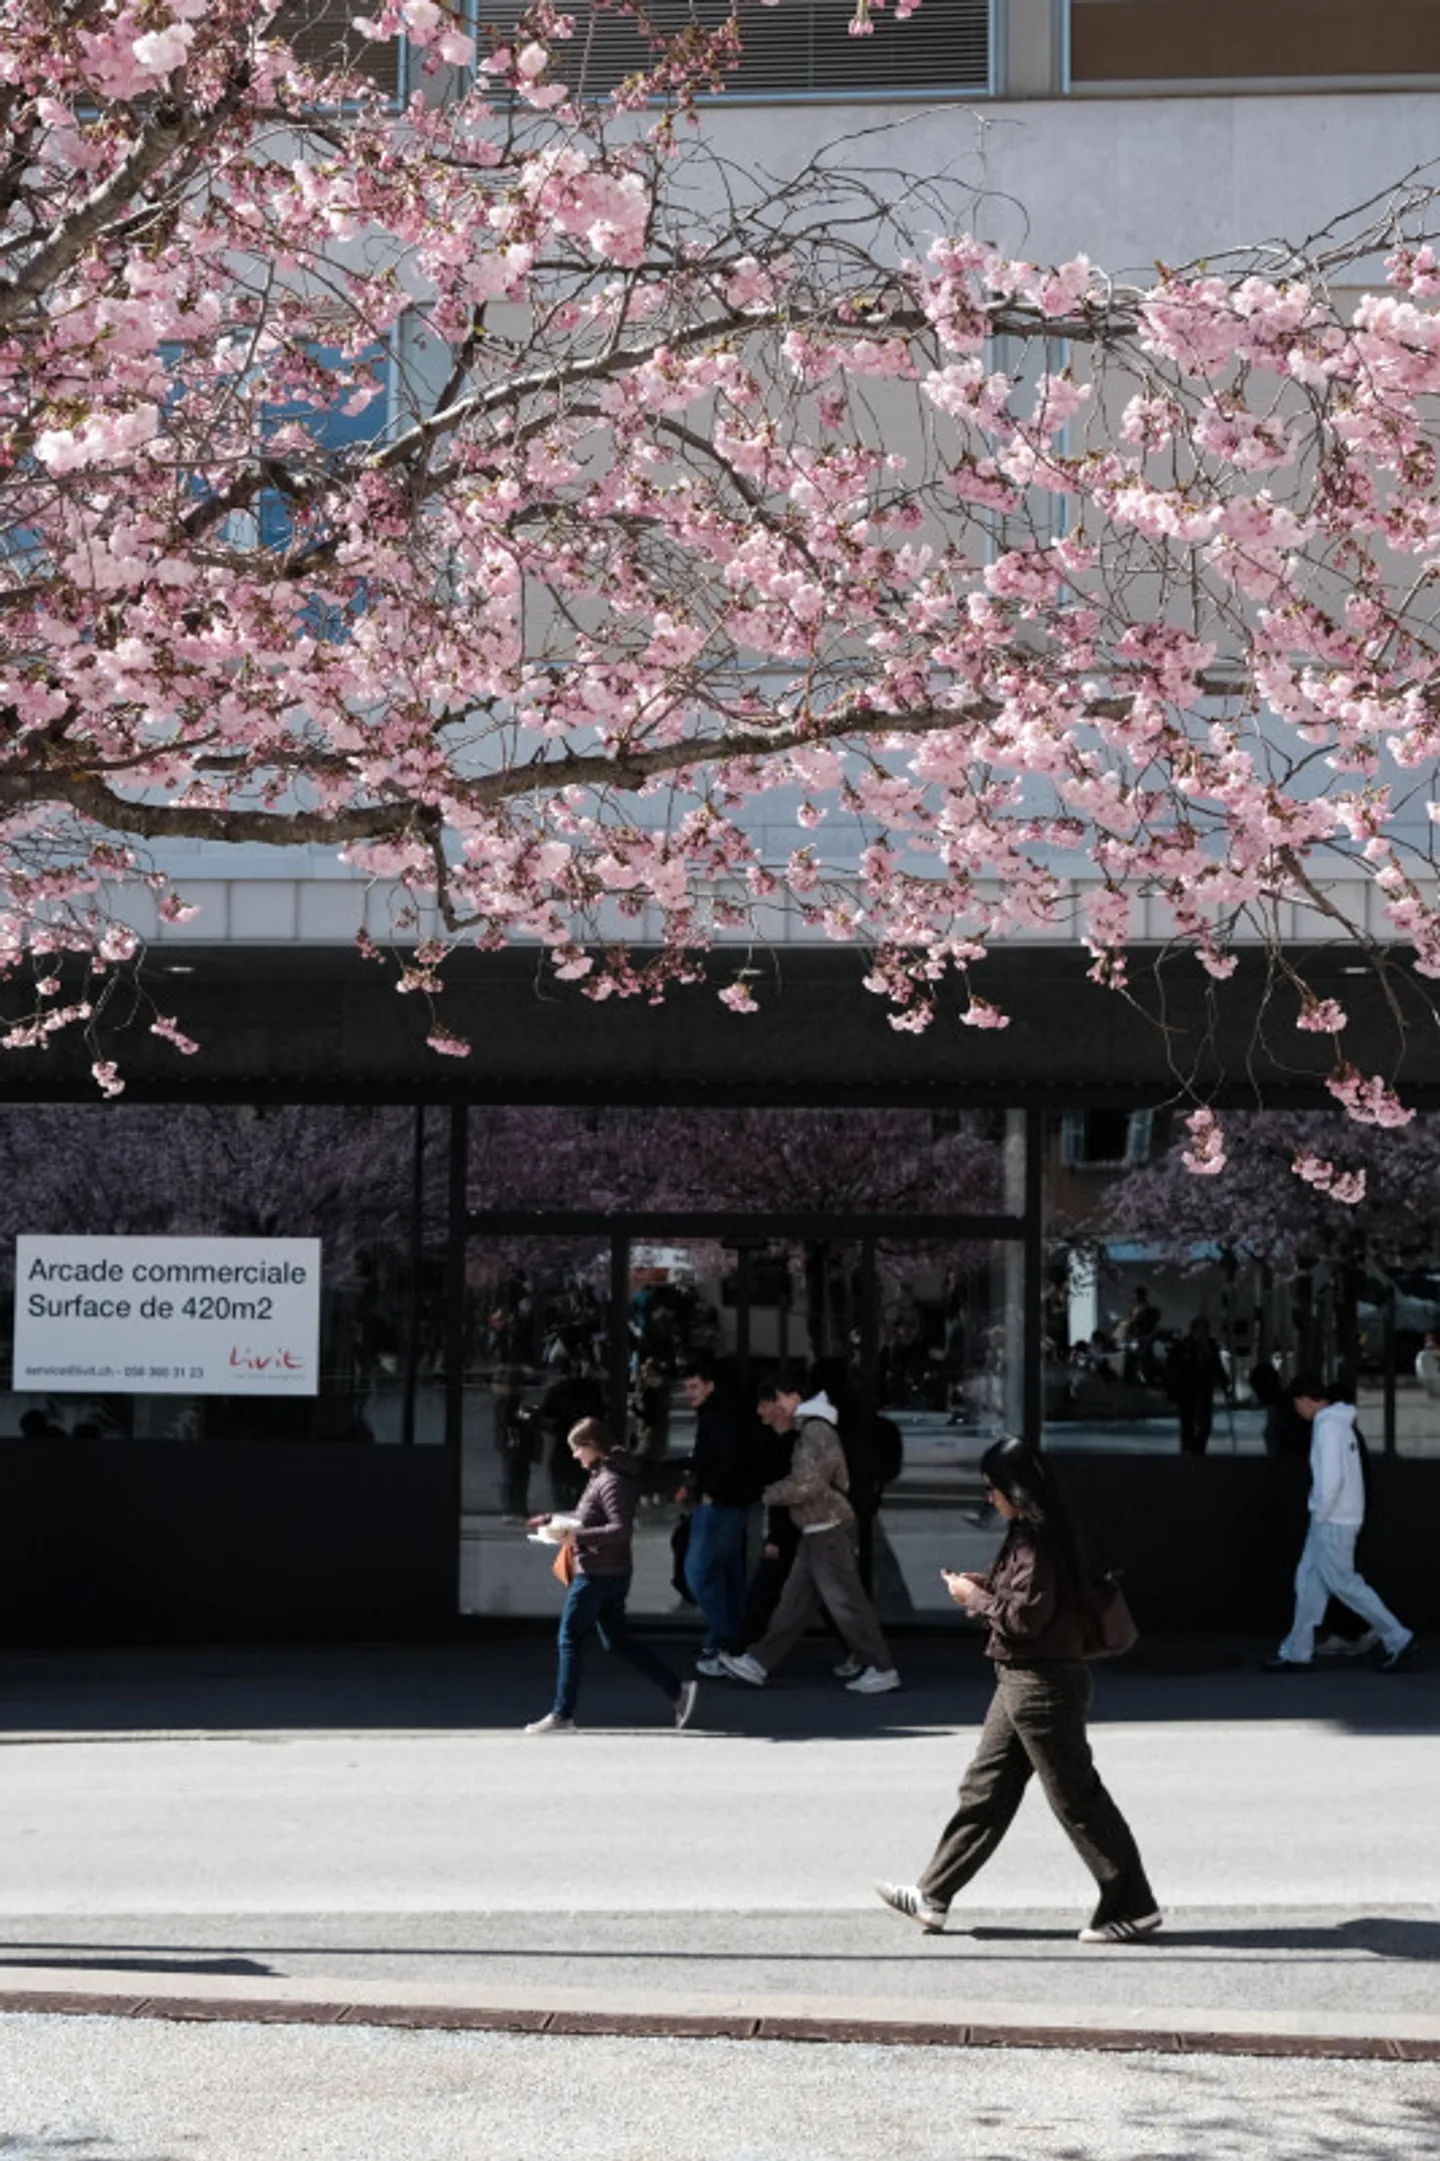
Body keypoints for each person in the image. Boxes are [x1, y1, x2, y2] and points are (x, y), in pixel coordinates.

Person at [875, 1436, 1160, 1944]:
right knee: (984, 1790)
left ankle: (1133, 1904)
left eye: (993, 1489)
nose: (990, 1499)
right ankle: (933, 1895)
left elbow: (1026, 1618)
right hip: (1022, 1681)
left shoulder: (1037, 1541)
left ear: (1015, 1490)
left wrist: (974, 1598)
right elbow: (1027, 1597)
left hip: (1042, 1684)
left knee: (1076, 1799)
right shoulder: (1036, 1532)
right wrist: (981, 1584)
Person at [718, 1379, 900, 1695]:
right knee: (794, 1603)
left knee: (846, 1602)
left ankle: (882, 1667)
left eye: (780, 1397)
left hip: (826, 1526)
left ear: (794, 1396)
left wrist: (769, 1494)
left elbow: (808, 1483)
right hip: (816, 1527)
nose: (778, 1406)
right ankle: (758, 1662)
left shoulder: (815, 1430)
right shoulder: (814, 1428)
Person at [523, 1419, 699, 1735]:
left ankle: (562, 1715)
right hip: (610, 1571)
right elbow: (588, 1516)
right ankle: (678, 1691)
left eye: (578, 1448)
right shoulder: (604, 1476)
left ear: (593, 1445)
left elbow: (620, 1529)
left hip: (597, 1573)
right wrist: (552, 1519)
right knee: (617, 1641)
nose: (575, 1455)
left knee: (570, 1637)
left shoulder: (611, 1480)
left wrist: (577, 1539)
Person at [1264, 1376, 1415, 1673]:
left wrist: (1320, 1512)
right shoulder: (1340, 1423)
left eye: (1297, 1405)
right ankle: (1297, 1650)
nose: (1298, 1412)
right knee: (1309, 1580)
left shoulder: (1327, 1427)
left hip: (1331, 1520)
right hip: (1336, 1518)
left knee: (1343, 1584)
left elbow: (1331, 1480)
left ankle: (1399, 1637)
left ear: (1307, 1400)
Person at [678, 1355, 753, 1678]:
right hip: (730, 1501)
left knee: (699, 1571)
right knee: (725, 1571)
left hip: (720, 1502)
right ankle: (732, 1639)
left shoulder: (717, 1415)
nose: (688, 1393)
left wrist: (710, 1490)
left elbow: (725, 1457)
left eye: (694, 1386)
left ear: (710, 1385)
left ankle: (720, 1639)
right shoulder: (726, 1411)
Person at [1164, 1316, 1227, 1456]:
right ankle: (1188, 1451)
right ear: (1194, 1330)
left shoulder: (1211, 1346)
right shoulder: (1182, 1347)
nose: (1204, 1334)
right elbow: (1173, 1368)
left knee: (1206, 1425)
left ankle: (1198, 1449)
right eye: (1201, 1330)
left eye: (1206, 1330)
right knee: (1187, 1424)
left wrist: (1224, 1382)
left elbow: (1217, 1365)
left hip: (1204, 1390)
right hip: (1187, 1391)